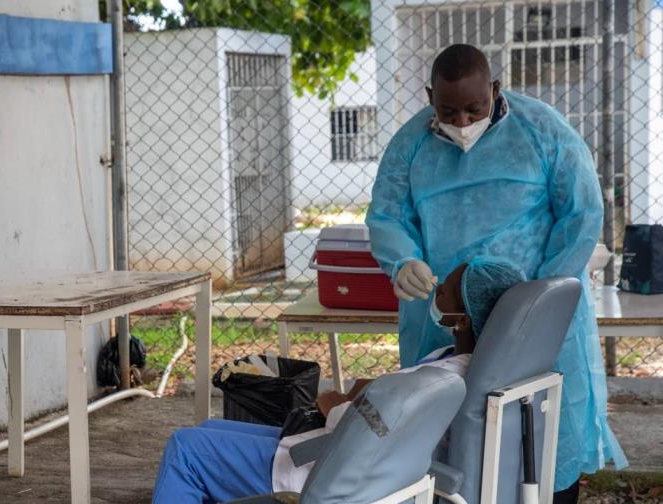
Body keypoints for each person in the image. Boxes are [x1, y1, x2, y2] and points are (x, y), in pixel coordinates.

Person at [364, 43, 628, 502]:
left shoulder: (543, 131)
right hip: (445, 319)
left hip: (537, 315)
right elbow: (388, 216)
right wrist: (402, 260)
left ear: (495, 90)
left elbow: (581, 214)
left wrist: (540, 296)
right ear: (429, 97)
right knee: (452, 443)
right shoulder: (410, 145)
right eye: (449, 111)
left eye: (474, 108)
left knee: (542, 438)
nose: (463, 122)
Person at [151, 259, 523, 504]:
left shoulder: (442, 377)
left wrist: (334, 403)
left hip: (331, 471)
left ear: (460, 320)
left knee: (186, 448)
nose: (436, 290)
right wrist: (369, 392)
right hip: (351, 454)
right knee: (212, 427)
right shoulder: (466, 365)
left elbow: (366, 426)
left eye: (443, 292)